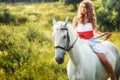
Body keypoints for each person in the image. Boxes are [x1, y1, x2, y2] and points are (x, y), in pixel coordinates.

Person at [72, 0, 116, 80]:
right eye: (81, 7)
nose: (82, 9)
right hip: (80, 42)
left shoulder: (91, 20)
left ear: (89, 9)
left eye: (85, 7)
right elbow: (73, 31)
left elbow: (95, 31)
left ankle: (112, 76)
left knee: (104, 59)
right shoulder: (76, 19)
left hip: (92, 41)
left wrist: (104, 35)